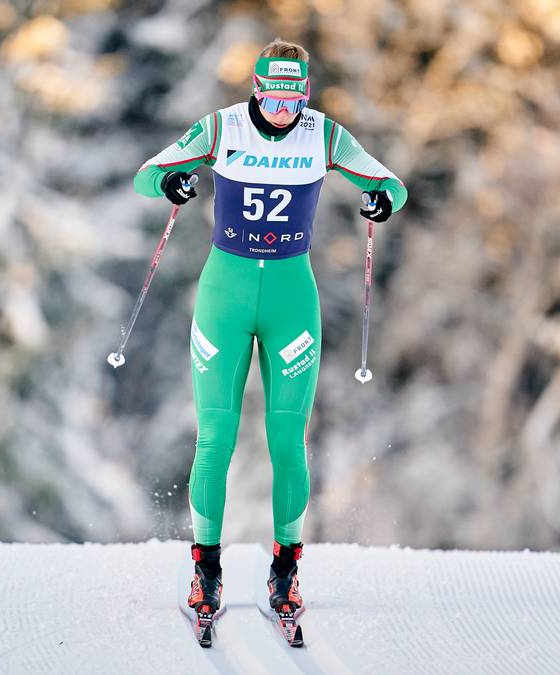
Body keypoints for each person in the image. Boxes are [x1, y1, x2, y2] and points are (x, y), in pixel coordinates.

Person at [133, 39, 408, 618]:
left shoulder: (325, 135)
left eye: (294, 99)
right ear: (256, 90)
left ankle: (286, 572)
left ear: (305, 94)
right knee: (215, 441)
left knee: (288, 442)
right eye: (274, 98)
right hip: (224, 297)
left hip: (291, 300)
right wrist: (170, 184)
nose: (284, 112)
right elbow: (146, 176)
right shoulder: (222, 128)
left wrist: (382, 198)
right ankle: (206, 572)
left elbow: (392, 184)